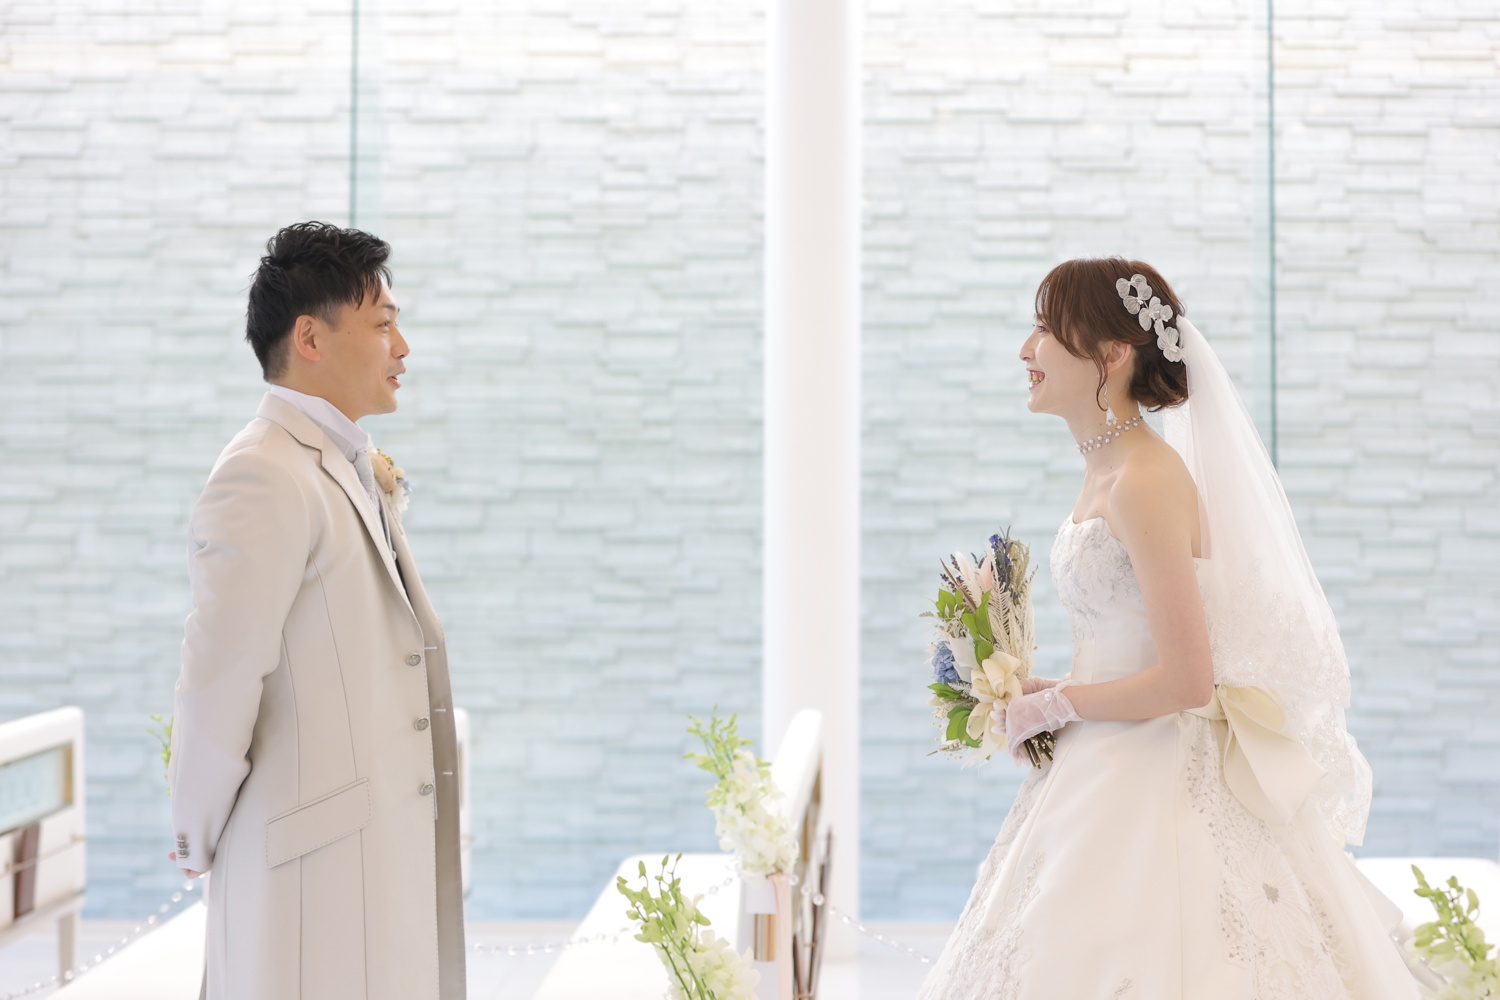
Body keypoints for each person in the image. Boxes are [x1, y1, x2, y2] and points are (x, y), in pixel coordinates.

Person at [917, 257, 1420, 998]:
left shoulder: (1146, 479)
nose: (1027, 350)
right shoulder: (1108, 468)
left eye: (1046, 329)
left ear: (1113, 353)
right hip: (1104, 751)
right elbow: (1128, 647)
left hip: (1152, 764)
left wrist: (1057, 704)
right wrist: (1045, 693)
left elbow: (1187, 679)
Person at [167, 222, 466, 999]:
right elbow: (220, 677)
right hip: (309, 881)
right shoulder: (262, 473)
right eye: (383, 324)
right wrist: (196, 834)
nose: (403, 348)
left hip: (370, 862)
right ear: (309, 337)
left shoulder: (340, 462)